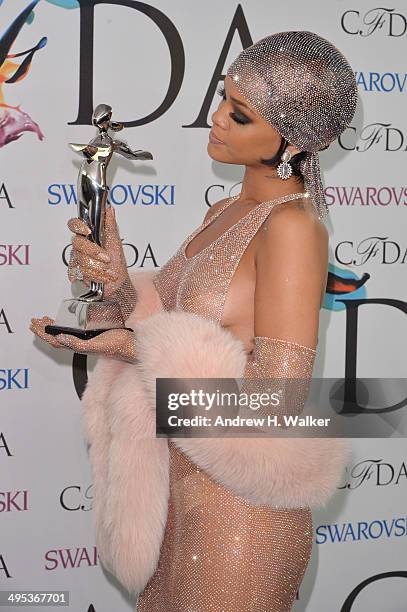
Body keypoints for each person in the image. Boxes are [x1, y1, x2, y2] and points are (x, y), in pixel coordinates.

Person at [30, 31, 357, 611]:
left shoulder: (293, 229)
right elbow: (173, 326)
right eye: (223, 98)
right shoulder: (229, 208)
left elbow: (275, 401)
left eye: (241, 112)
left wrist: (138, 348)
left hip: (241, 521)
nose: (217, 118)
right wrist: (115, 282)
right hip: (174, 496)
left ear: (291, 138)